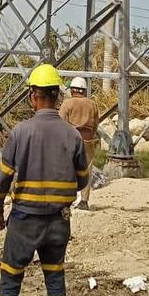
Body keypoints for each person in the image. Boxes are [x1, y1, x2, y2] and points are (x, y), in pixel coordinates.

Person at [0, 64, 89, 296]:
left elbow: (3, 179)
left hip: (24, 220)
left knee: (11, 281)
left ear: (33, 96)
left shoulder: (21, 132)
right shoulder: (72, 135)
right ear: (58, 96)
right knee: (54, 278)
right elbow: (83, 180)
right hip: (59, 220)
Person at [59, 76, 100, 211]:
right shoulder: (92, 104)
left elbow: (60, 123)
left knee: (68, 169)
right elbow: (95, 125)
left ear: (72, 90)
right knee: (86, 170)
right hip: (88, 139)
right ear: (84, 90)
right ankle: (84, 201)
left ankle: (67, 199)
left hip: (71, 139)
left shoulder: (67, 104)